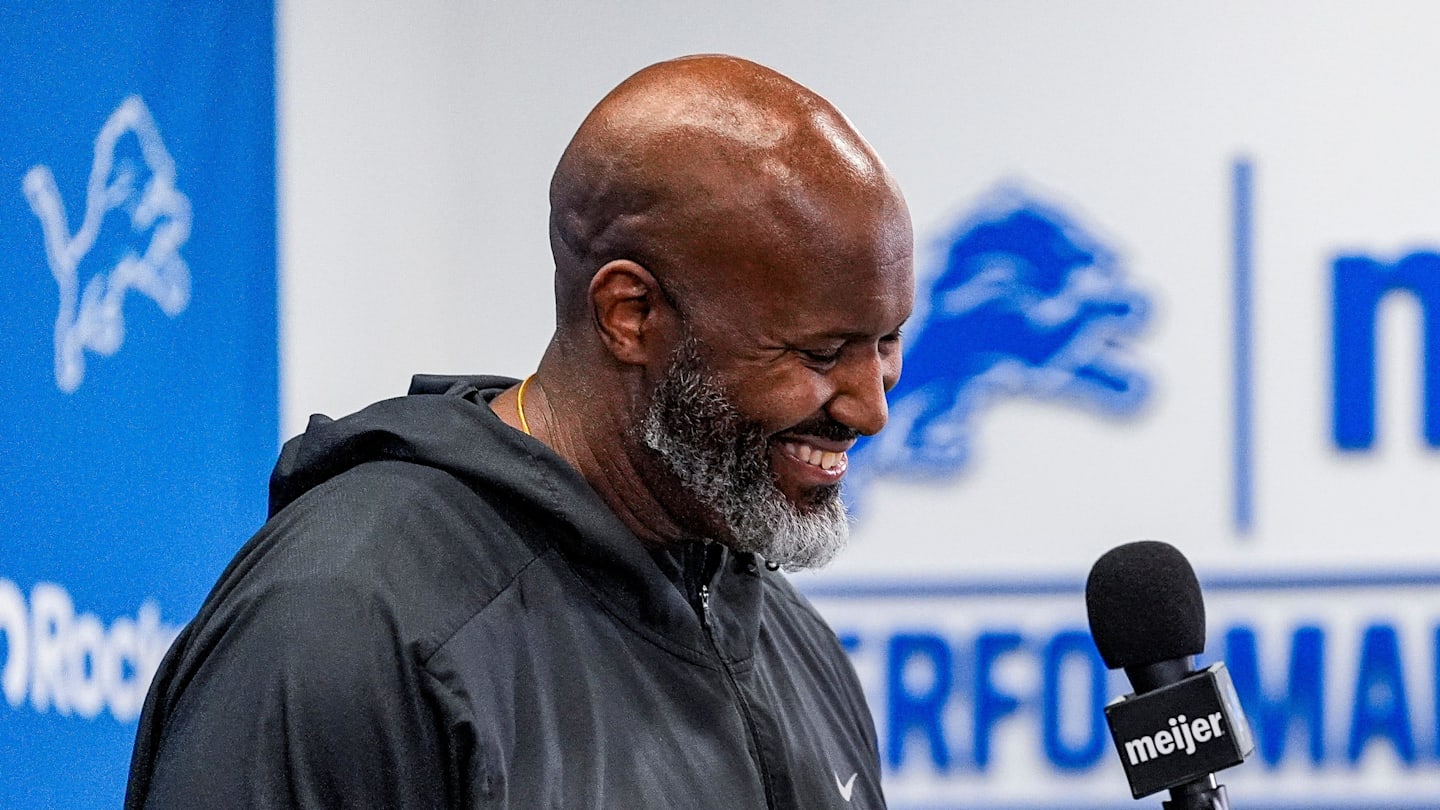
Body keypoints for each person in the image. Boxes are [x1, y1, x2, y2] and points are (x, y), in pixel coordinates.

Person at [126, 54, 914, 809]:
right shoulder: (346, 623)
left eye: (886, 343)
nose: (870, 406)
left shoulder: (792, 646)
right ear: (629, 315)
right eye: (819, 352)